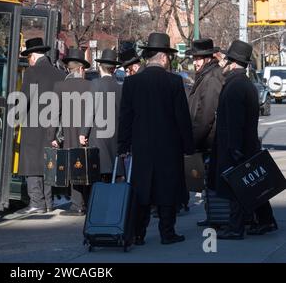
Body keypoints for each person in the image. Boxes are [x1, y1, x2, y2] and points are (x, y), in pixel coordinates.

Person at [118, 32, 194, 245]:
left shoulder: (132, 83)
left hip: (141, 145)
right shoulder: (174, 82)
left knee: (142, 190)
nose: (169, 60)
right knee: (167, 190)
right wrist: (188, 146)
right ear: (162, 57)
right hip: (169, 146)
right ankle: (167, 232)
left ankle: (138, 233)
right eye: (168, 57)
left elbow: (126, 117)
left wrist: (123, 145)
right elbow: (182, 117)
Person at [210, 40, 278, 240]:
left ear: (232, 63)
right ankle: (266, 221)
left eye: (226, 60)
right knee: (253, 186)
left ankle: (235, 227)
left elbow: (234, 123)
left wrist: (234, 149)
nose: (222, 65)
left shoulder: (234, 87)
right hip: (246, 145)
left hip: (235, 148)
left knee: (237, 188)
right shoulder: (245, 84)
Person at [17, 37, 66, 214]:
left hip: (33, 126)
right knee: (47, 164)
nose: (28, 60)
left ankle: (36, 202)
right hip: (53, 126)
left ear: (33, 56)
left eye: (28, 56)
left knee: (32, 165)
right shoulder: (59, 74)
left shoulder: (32, 72)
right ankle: (49, 203)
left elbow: (24, 100)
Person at [48, 48, 93, 216]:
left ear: (69, 68)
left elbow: (54, 114)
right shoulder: (91, 86)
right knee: (88, 169)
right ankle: (88, 204)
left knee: (74, 169)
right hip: (88, 134)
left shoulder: (60, 86)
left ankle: (76, 205)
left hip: (68, 134)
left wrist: (52, 137)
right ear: (81, 69)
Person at [185, 38, 225, 225]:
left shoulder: (211, 77)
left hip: (209, 140)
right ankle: (212, 216)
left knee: (211, 181)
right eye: (194, 58)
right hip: (207, 140)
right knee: (208, 182)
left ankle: (216, 217)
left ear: (208, 58)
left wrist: (193, 141)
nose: (195, 61)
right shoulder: (206, 75)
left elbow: (206, 115)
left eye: (198, 58)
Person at [80, 49, 122, 183]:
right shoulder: (120, 86)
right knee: (112, 173)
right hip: (114, 136)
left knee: (98, 173)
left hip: (98, 136)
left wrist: (83, 133)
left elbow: (90, 110)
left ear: (100, 67)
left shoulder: (96, 84)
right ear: (114, 69)